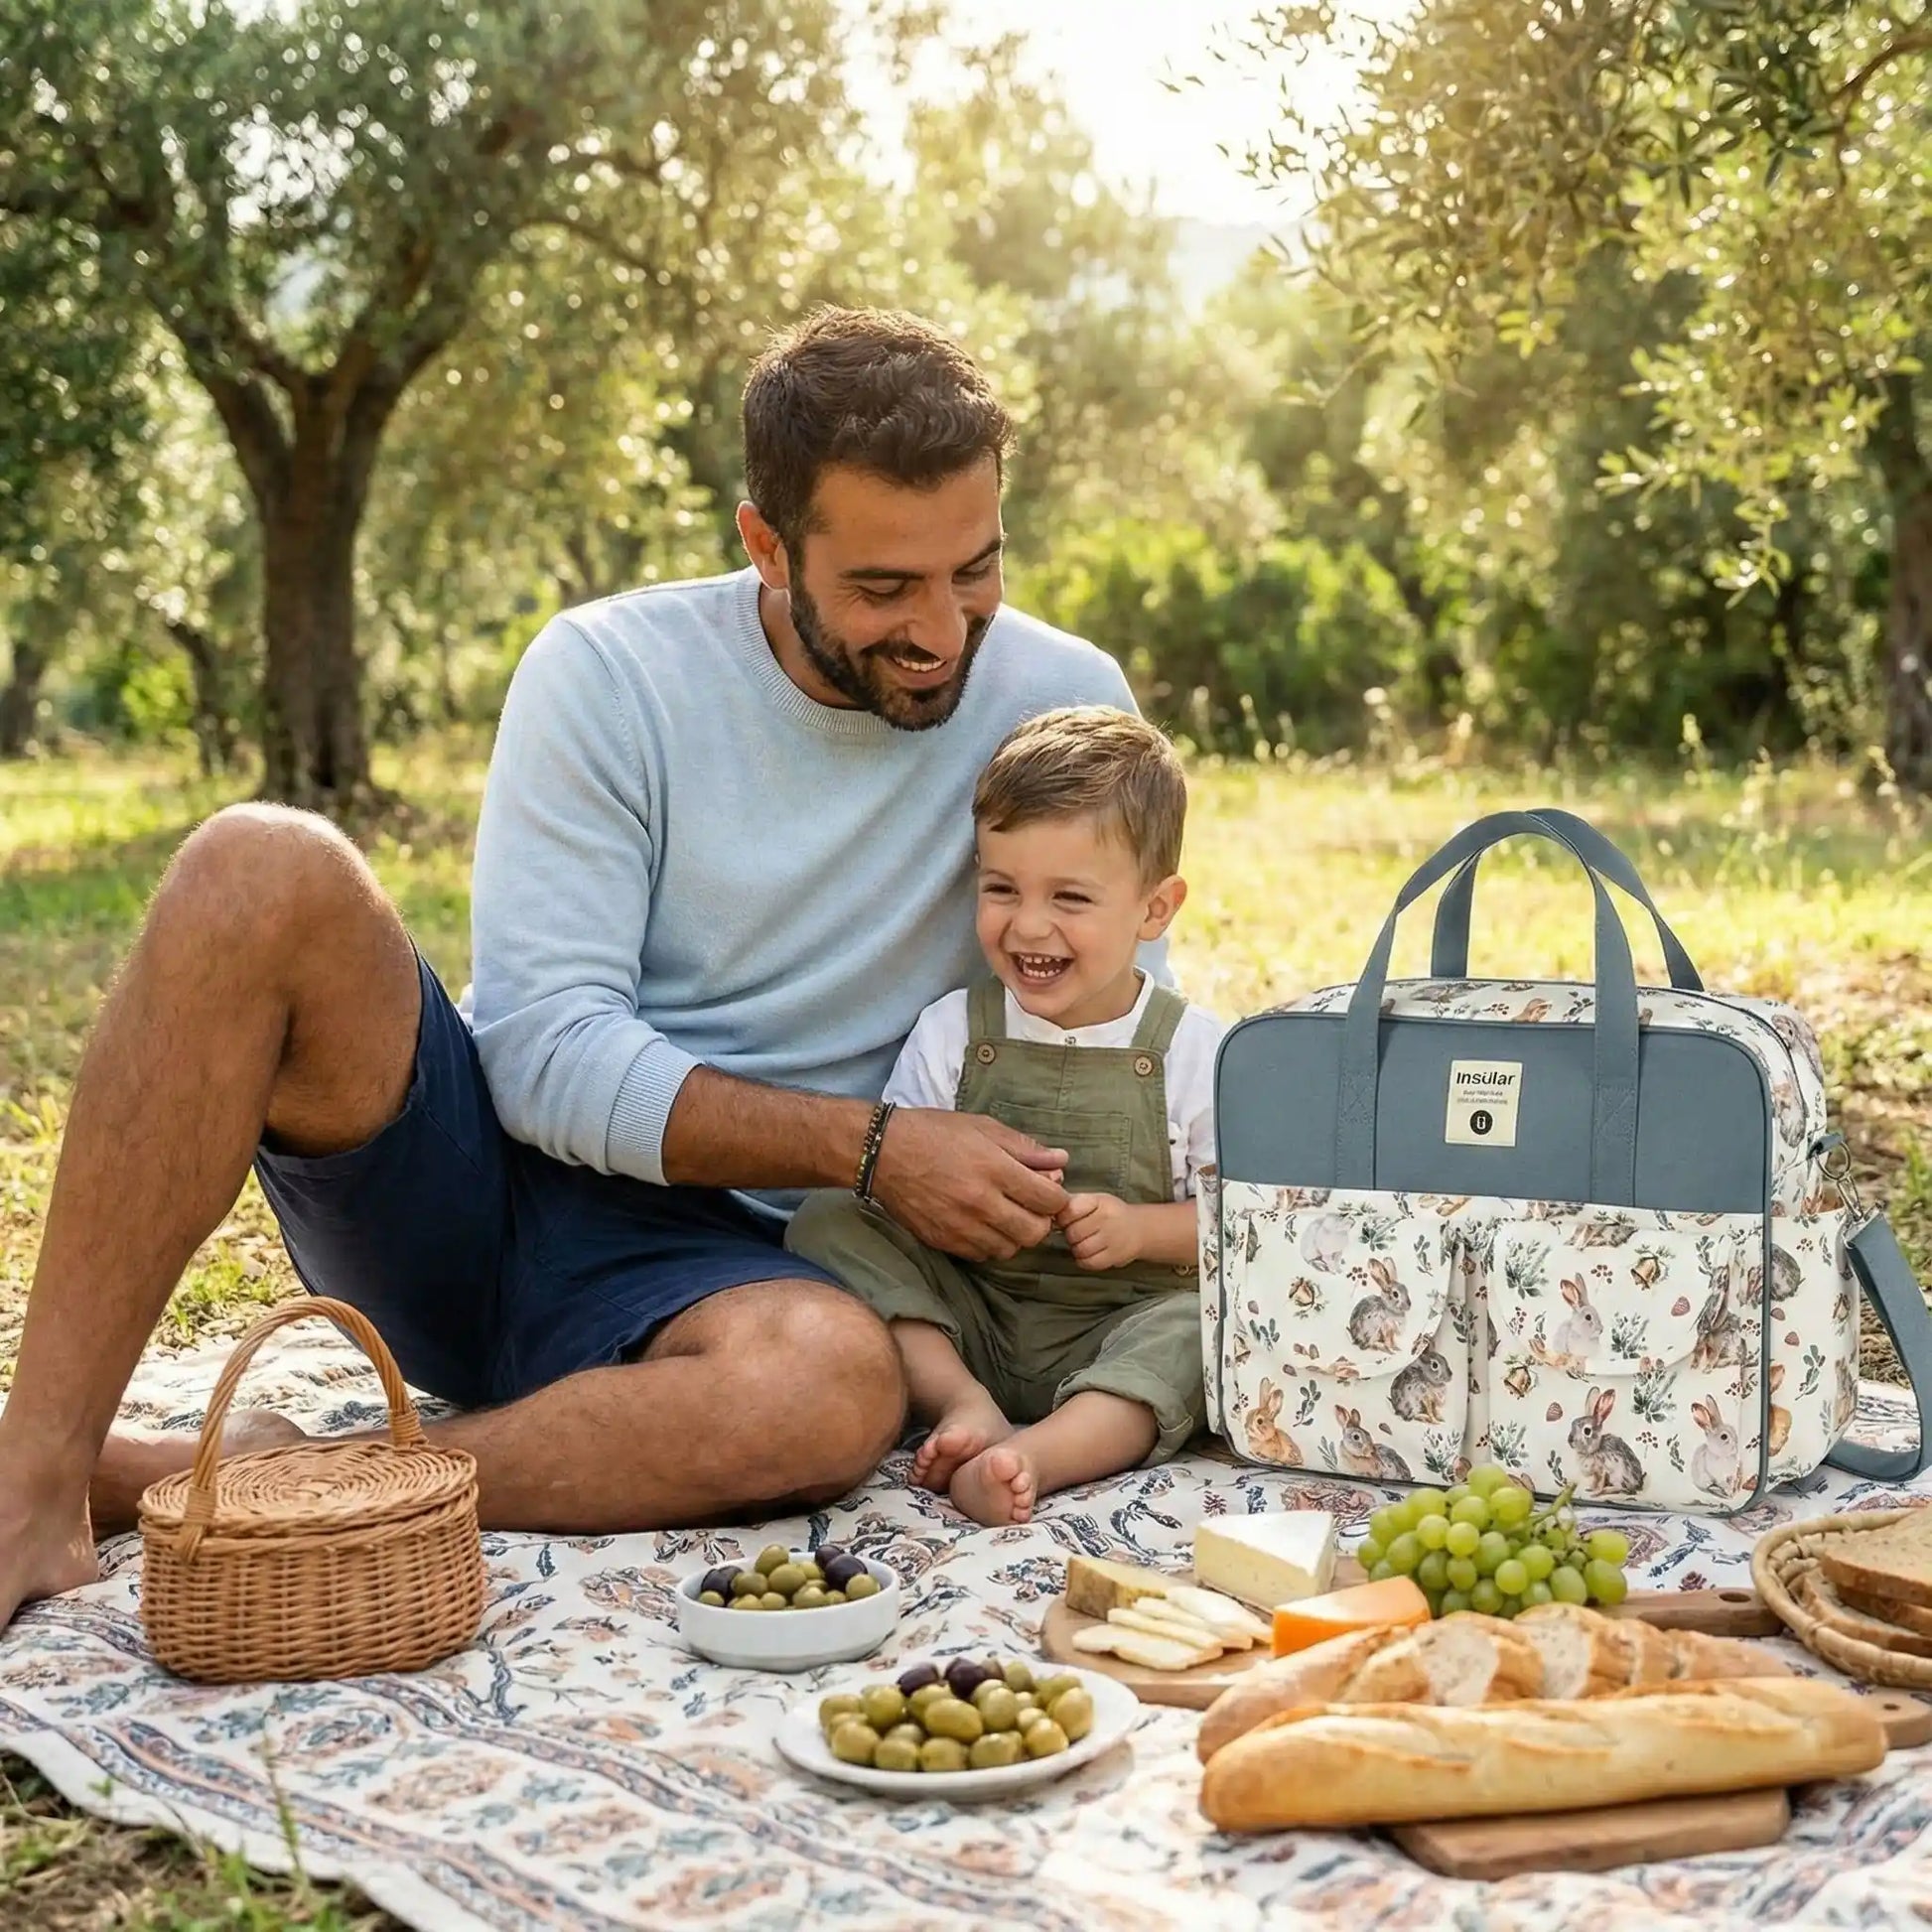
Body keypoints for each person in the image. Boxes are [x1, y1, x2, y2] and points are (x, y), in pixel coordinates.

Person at [0, 306, 1159, 1634]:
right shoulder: (609, 672)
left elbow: (1112, 1035)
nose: (941, 632)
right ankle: (33, 1474)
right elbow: (544, 1054)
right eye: (884, 588)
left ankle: (302, 1475)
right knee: (257, 864)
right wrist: (877, 1144)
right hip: (486, 1203)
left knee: (827, 1391)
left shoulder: (1066, 702)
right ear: (766, 546)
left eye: (973, 570)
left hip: (759, 1285)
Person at [786, 708, 1223, 1526]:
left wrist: (1141, 1231)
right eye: (1001, 889)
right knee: (831, 1216)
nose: (1028, 925)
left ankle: (1037, 1457)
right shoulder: (954, 1031)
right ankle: (962, 1405)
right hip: (973, 1312)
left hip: (1116, 1325)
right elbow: (895, 1194)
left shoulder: (1198, 1051)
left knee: (1204, 1326)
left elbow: (1242, 1227)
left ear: (1155, 909)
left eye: (1070, 897)